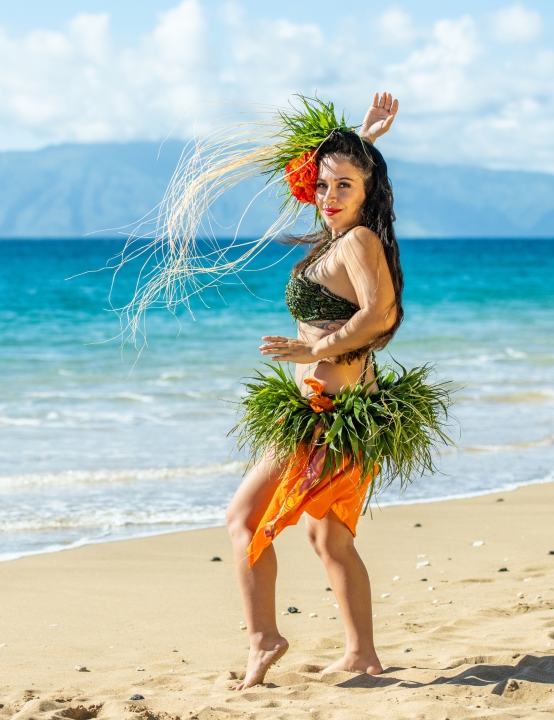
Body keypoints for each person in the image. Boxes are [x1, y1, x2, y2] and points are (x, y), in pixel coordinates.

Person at [224, 93, 402, 688]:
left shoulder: (357, 243)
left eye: (344, 187)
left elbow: (380, 316)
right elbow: (332, 165)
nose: (329, 197)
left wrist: (312, 351)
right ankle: (362, 654)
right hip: (323, 410)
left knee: (244, 520)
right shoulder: (337, 238)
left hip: (334, 414)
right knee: (327, 536)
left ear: (367, 192)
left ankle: (264, 638)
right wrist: (361, 136)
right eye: (323, 186)